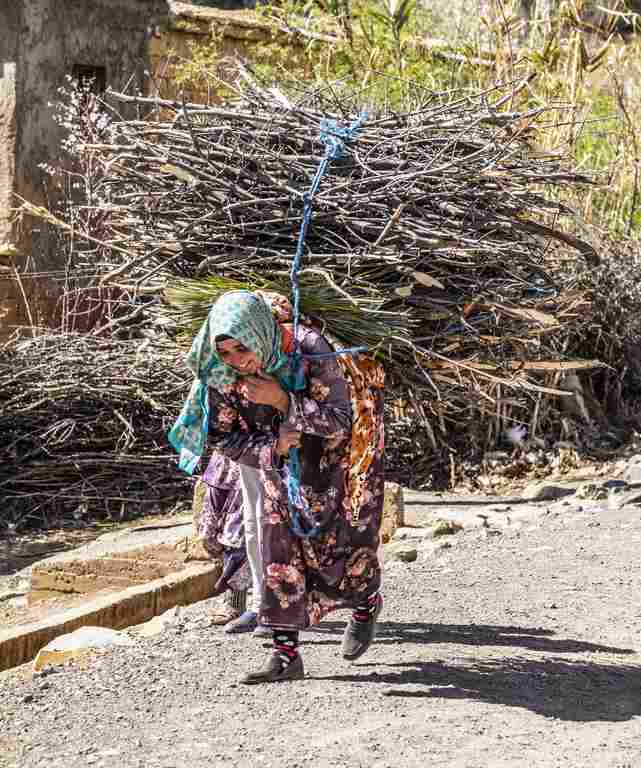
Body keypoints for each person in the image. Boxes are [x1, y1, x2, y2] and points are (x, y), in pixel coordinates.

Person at [170, 289, 385, 684]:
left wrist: (284, 401)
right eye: (227, 352)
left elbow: (341, 418)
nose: (238, 360)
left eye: (242, 348)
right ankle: (286, 656)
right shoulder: (222, 375)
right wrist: (271, 448)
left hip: (337, 465)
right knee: (278, 554)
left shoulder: (308, 348)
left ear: (260, 333)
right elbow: (223, 437)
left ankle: (366, 603)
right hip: (279, 467)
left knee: (341, 551)